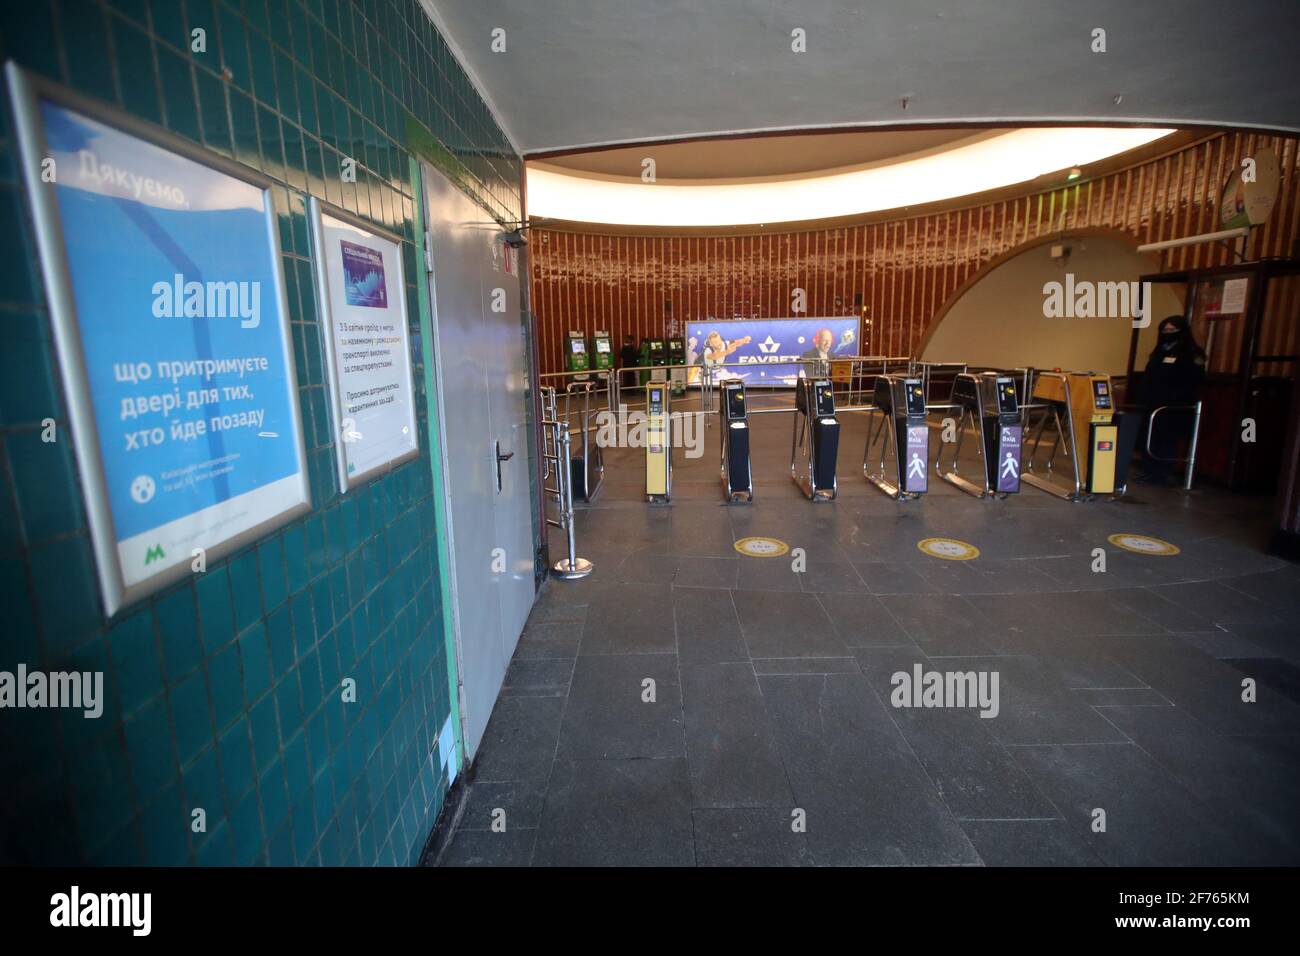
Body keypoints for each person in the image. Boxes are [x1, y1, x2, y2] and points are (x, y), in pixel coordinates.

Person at [1137, 315, 1206, 485]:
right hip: (1153, 402)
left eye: (1172, 330)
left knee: (1167, 440)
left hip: (1174, 405)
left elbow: (1193, 380)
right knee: (1150, 437)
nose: (1167, 333)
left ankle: (1163, 473)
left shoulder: (1191, 354)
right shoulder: (1159, 351)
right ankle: (1149, 471)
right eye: (1165, 330)